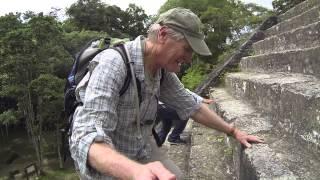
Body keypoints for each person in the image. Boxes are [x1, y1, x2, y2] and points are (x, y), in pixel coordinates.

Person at [69, 7, 263, 180]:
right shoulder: (113, 64)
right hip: (110, 162)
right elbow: (87, 137)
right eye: (187, 49)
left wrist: (232, 131)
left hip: (141, 147)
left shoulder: (161, 71)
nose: (188, 59)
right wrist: (134, 172)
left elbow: (190, 105)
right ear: (162, 34)